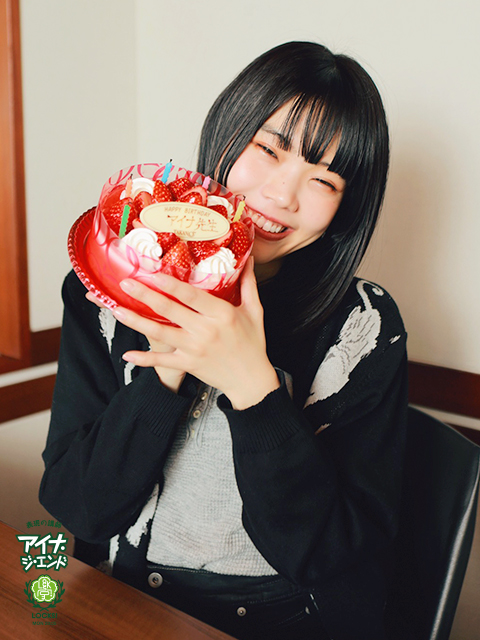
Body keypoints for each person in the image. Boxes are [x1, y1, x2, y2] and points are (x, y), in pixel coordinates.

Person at [40, 41, 408, 640]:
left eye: (324, 179)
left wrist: (252, 386)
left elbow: (328, 558)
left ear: (347, 206)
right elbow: (78, 507)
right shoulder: (105, 289)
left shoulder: (363, 327)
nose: (281, 196)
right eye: (268, 149)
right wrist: (167, 368)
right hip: (120, 600)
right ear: (227, 129)